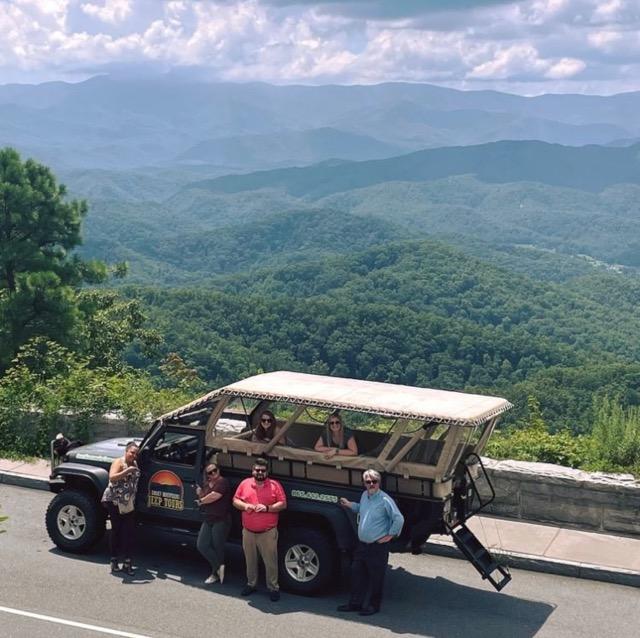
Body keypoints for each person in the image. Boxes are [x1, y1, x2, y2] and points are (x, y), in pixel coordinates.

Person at [338, 469, 404, 616]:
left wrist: (390, 535)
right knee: (356, 573)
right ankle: (355, 604)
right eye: (368, 482)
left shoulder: (385, 499)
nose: (371, 484)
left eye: (374, 481)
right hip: (362, 546)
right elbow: (361, 509)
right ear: (364, 484)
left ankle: (374, 606)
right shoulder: (364, 495)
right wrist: (349, 505)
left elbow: (399, 518)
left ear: (379, 483)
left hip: (377, 547)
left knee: (376, 578)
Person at [233, 457, 287, 601]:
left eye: (263, 471)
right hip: (248, 532)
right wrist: (245, 506)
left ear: (267, 472)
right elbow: (235, 500)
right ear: (252, 471)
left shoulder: (275, 485)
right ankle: (251, 584)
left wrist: (267, 508)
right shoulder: (245, 483)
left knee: (270, 562)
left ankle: (273, 588)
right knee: (250, 560)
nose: (260, 473)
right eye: (257, 470)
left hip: (267, 533)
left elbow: (283, 504)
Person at [101, 441, 140, 575]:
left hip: (128, 502)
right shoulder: (119, 462)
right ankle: (114, 561)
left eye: (136, 454)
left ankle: (127, 563)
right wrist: (127, 471)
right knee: (116, 530)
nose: (134, 456)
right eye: (132, 453)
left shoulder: (134, 464)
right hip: (115, 501)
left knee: (129, 532)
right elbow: (112, 478)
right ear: (126, 451)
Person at [195, 462, 232, 585]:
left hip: (221, 519)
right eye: (210, 472)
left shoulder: (222, 482)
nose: (213, 473)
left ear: (218, 470)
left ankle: (215, 573)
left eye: (215, 470)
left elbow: (214, 496)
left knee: (218, 546)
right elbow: (204, 496)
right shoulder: (207, 484)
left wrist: (201, 500)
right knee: (202, 545)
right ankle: (219, 568)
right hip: (209, 518)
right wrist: (200, 492)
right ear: (207, 475)